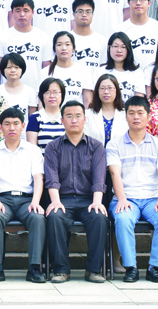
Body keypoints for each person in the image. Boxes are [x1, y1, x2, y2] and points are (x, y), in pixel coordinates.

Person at [107, 96, 158, 283]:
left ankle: (155, 268)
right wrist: (122, 199)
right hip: (126, 198)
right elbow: (115, 174)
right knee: (123, 219)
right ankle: (131, 268)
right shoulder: (114, 144)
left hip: (152, 199)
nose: (136, 117)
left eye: (140, 113)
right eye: (131, 113)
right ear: (126, 116)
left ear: (148, 116)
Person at [43, 101, 109, 284]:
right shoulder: (52, 147)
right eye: (69, 116)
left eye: (78, 116)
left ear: (84, 119)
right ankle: (61, 270)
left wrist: (97, 202)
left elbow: (99, 178)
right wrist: (55, 201)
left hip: (89, 199)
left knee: (99, 217)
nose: (74, 120)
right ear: (62, 120)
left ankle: (94, 270)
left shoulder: (96, 146)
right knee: (55, 216)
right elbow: (51, 178)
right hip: (62, 198)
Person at [0, 107, 46, 283]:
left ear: (23, 126)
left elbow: (38, 178)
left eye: (16, 123)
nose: (12, 128)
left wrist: (36, 201)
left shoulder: (33, 151)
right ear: (0, 127)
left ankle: (34, 268)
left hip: (27, 200)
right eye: (7, 124)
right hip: (2, 200)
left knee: (38, 218)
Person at [0, 0, 52, 90]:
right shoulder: (2, 37)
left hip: (35, 90)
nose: (22, 14)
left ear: (33, 12)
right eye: (18, 10)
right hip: (7, 91)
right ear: (12, 13)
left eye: (26, 10)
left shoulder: (43, 37)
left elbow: (46, 68)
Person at [120, 0, 158, 69]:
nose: (138, 3)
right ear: (128, 3)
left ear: (149, 3)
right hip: (129, 74)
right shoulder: (120, 30)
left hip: (155, 75)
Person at [45, 31, 94, 106]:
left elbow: (87, 101)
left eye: (67, 44)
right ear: (54, 49)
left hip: (77, 113)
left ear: (73, 48)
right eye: (59, 45)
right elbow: (42, 102)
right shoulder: (45, 72)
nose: (64, 48)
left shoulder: (84, 71)